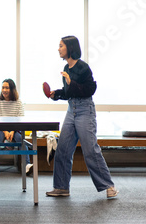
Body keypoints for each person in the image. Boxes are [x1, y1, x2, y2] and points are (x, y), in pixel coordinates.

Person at [46, 36, 118, 199]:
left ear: (69, 48)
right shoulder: (66, 68)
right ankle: (61, 187)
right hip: (72, 110)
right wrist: (56, 94)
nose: (58, 49)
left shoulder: (83, 67)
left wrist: (71, 83)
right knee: (63, 149)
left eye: (61, 46)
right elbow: (68, 93)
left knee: (90, 150)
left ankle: (109, 186)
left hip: (85, 110)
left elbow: (90, 89)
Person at [0, 78, 32, 176]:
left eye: (7, 88)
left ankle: (27, 165)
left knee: (21, 139)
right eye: (3, 87)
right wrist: (5, 131)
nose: (4, 90)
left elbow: (19, 118)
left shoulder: (18, 102)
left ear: (12, 89)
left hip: (15, 128)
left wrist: (12, 130)